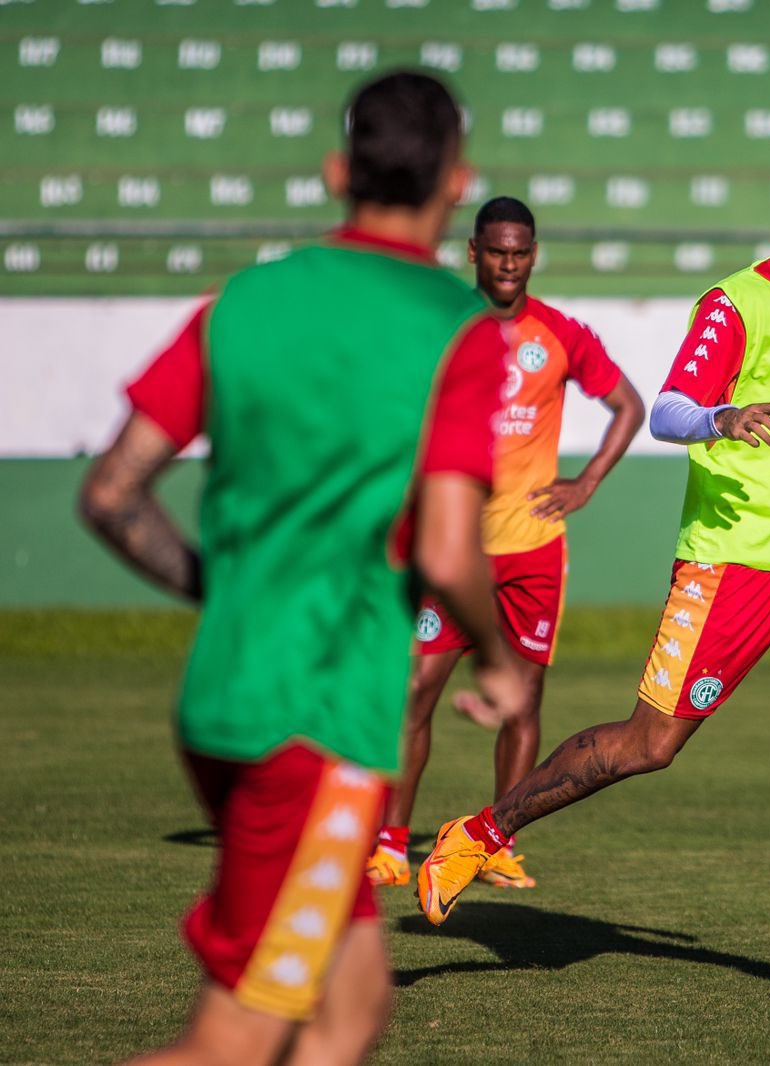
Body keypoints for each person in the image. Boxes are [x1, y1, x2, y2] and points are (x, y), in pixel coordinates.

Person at [78, 71, 527, 1065]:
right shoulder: (455, 328)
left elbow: (111, 492)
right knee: (235, 1039)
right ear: (458, 183)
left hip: (223, 700)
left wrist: (221, 585)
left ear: (336, 172)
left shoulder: (244, 302)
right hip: (317, 720)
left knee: (350, 1008)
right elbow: (452, 548)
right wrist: (499, 658)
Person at [414, 158, 770, 1001]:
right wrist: (723, 417)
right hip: (730, 564)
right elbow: (667, 410)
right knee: (648, 746)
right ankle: (481, 830)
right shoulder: (738, 304)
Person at [364, 196, 644, 891]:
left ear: (534, 253)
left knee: (523, 698)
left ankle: (493, 843)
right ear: (473, 251)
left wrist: (588, 483)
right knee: (417, 689)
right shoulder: (440, 328)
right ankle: (390, 842)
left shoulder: (558, 333)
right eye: (498, 252)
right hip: (452, 545)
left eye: (521, 253)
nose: (510, 264)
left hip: (533, 550)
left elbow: (628, 406)